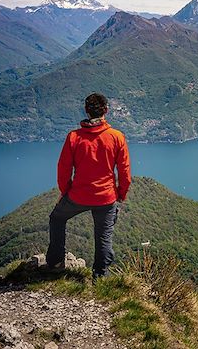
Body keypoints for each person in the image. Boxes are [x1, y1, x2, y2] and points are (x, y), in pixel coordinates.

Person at [46, 92, 131, 278]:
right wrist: (121, 195)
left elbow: (63, 169)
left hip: (78, 196)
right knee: (104, 236)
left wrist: (65, 191)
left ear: (86, 111)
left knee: (57, 218)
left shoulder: (74, 137)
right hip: (106, 198)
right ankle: (100, 276)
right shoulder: (117, 137)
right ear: (106, 110)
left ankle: (55, 263)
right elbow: (124, 173)